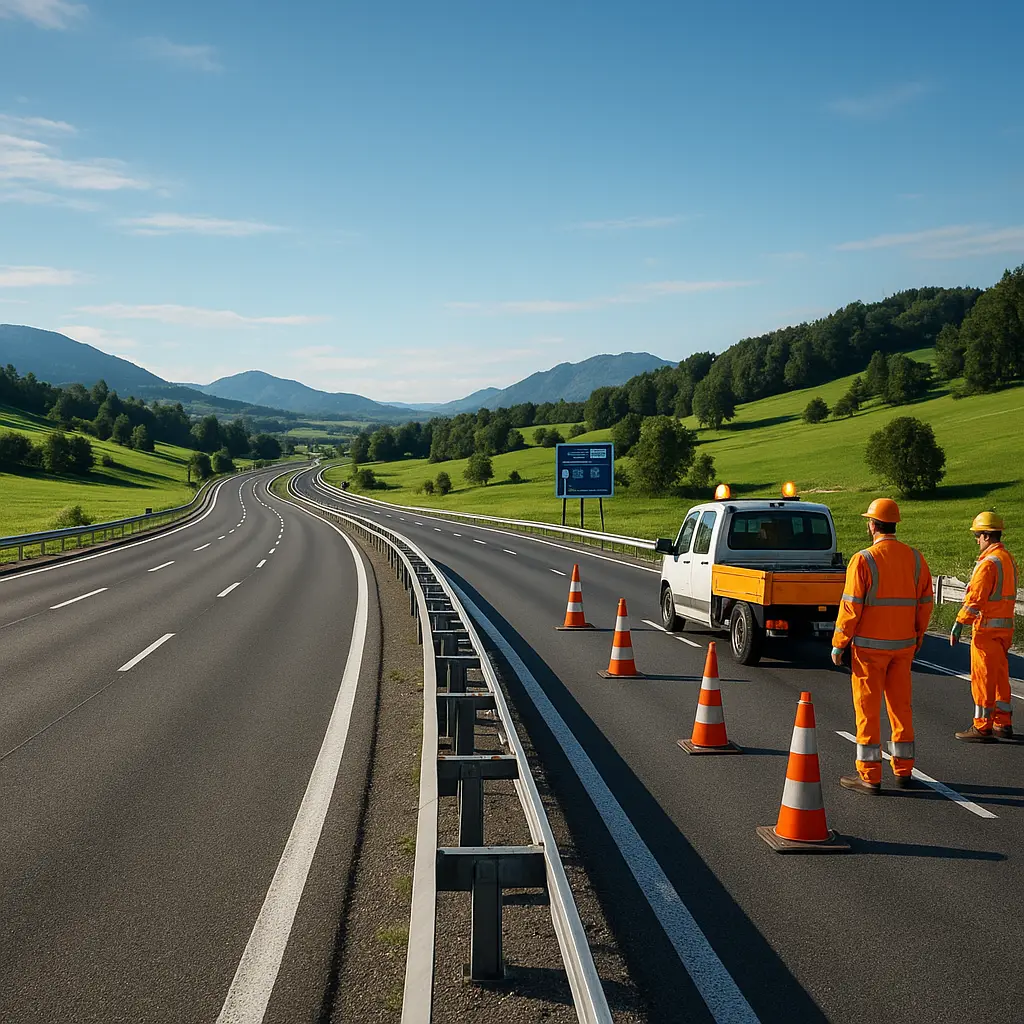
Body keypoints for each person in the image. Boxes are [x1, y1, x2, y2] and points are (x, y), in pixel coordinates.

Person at [830, 498, 933, 794]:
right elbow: (925, 603)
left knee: (868, 710)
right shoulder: (915, 559)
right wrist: (918, 636)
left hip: (869, 650)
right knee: (901, 708)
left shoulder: (864, 560)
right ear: (895, 524)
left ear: (873, 525)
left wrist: (839, 644)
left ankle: (869, 775)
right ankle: (904, 770)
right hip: (902, 648)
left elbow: (851, 608)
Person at [950, 512, 1019, 741]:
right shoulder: (1007, 559)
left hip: (986, 630)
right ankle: (1003, 723)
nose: (977, 540)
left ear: (987, 536)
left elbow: (975, 599)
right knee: (1000, 677)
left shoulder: (988, 563)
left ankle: (982, 726)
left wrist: (960, 622)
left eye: (978, 536)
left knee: (983, 679)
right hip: (1004, 629)